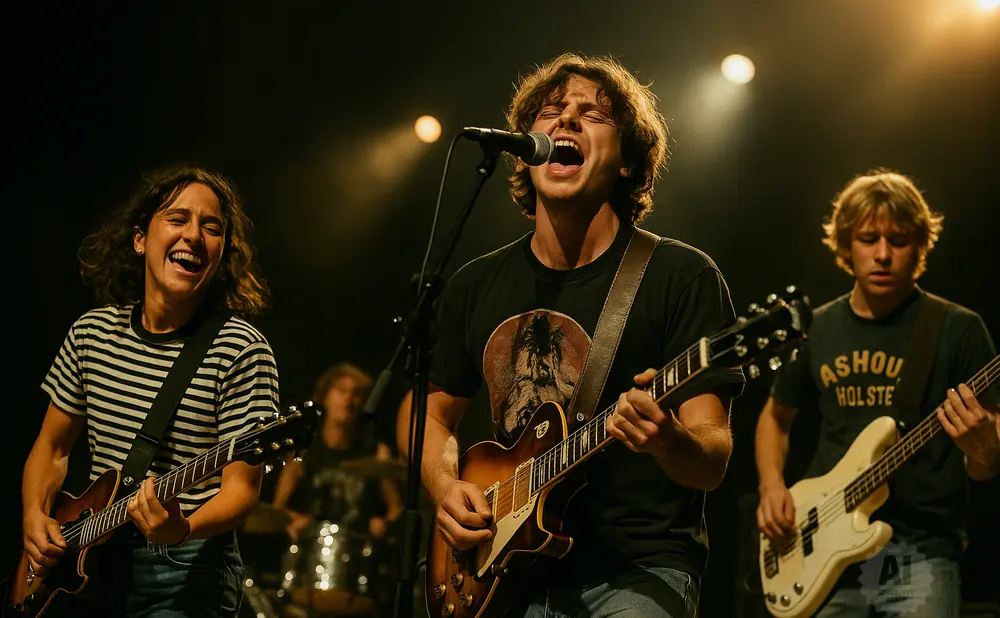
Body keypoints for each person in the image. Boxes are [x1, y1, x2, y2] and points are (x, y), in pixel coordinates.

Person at [397, 53, 745, 618]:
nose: (565, 122)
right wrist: (444, 488)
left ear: (628, 161)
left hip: (634, 573)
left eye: (592, 114)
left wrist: (668, 439)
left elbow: (711, 460)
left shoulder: (680, 278)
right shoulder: (475, 284)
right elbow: (430, 416)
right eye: (550, 111)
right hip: (499, 576)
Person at [21, 165, 280, 617]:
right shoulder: (91, 333)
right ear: (141, 238)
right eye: (177, 219)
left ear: (222, 253)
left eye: (211, 227)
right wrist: (33, 516)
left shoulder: (241, 349)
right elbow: (52, 447)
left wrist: (181, 528)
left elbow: (242, 492)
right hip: (89, 559)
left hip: (186, 568)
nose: (194, 236)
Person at [754, 169, 1000, 617]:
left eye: (899, 240)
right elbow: (774, 417)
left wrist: (984, 449)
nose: (883, 254)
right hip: (820, 545)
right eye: (869, 238)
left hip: (920, 550)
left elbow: (985, 466)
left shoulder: (958, 330)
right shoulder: (817, 330)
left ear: (920, 246)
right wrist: (772, 485)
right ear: (846, 244)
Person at [272, 362, 403, 542]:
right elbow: (277, 509)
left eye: (356, 394)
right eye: (342, 391)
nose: (349, 400)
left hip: (358, 549)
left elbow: (396, 510)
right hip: (313, 547)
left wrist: (384, 523)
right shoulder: (304, 449)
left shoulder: (375, 451)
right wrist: (295, 520)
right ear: (325, 397)